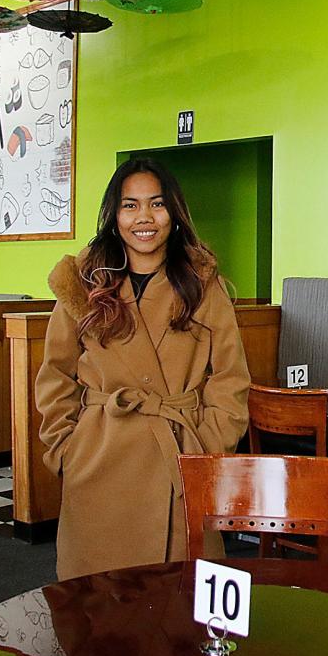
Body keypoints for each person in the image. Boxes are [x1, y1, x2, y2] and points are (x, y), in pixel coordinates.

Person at [36, 159, 250, 580]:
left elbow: (231, 378)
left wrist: (205, 446)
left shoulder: (202, 284)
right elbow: (55, 374)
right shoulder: (83, 284)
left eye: (157, 204)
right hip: (99, 457)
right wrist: (65, 450)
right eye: (130, 205)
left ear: (174, 213)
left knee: (178, 609)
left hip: (178, 456)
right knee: (97, 609)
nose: (144, 218)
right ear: (114, 216)